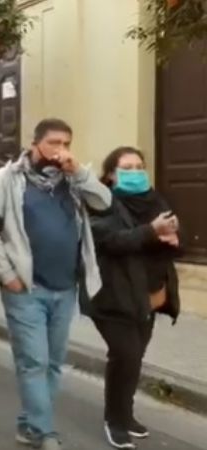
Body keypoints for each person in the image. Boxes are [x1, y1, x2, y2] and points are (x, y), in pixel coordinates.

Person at [0, 118, 112, 450]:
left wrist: (78, 172)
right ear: (35, 143)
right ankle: (43, 430)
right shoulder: (6, 180)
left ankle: (29, 423)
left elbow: (104, 202)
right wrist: (8, 276)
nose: (60, 150)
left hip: (65, 288)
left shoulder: (73, 178)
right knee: (34, 361)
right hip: (26, 289)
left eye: (66, 143)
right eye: (54, 143)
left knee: (52, 362)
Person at [87, 146, 180, 450]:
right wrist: (151, 231)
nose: (136, 172)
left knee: (134, 358)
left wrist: (171, 239)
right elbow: (110, 240)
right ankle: (114, 420)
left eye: (140, 166)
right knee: (124, 355)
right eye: (127, 167)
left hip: (149, 295)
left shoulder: (154, 199)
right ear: (112, 174)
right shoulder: (101, 201)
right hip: (114, 295)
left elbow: (166, 240)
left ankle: (125, 415)